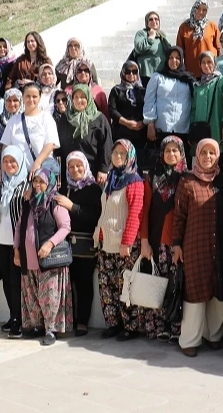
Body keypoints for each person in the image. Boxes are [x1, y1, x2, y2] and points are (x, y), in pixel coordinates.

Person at [173, 139, 223, 357]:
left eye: (212, 153)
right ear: (197, 155)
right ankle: (189, 340)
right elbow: (179, 216)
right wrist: (177, 245)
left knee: (216, 290)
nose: (207, 157)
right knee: (195, 292)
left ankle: (214, 336)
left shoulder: (222, 182)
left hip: (219, 245)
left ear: (217, 156)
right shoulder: (187, 181)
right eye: (203, 153)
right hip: (194, 244)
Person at [15, 165, 74, 346]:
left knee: (50, 296)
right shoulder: (27, 203)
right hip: (29, 259)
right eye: (36, 181)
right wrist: (16, 250)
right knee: (31, 295)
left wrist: (50, 243)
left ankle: (51, 329)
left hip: (49, 260)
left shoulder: (56, 203)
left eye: (42, 181)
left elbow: (65, 227)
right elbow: (19, 228)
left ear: (50, 183)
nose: (38, 185)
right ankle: (37, 326)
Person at [95, 140, 144, 341]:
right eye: (115, 153)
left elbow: (135, 214)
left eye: (122, 154)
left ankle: (130, 327)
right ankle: (113, 324)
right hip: (106, 241)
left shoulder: (134, 181)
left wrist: (127, 242)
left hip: (124, 244)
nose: (117, 157)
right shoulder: (110, 179)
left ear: (130, 156)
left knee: (125, 285)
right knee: (107, 285)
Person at [0, 146, 30, 339]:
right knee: (7, 282)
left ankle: (19, 320)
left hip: (18, 244)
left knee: (17, 281)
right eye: (5, 161)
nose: (9, 165)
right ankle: (13, 315)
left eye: (13, 161)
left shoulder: (27, 185)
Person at [139, 136, 187, 341]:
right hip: (157, 240)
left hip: (178, 242)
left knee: (176, 285)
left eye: (176, 150)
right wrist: (144, 241)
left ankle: (176, 326)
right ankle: (160, 327)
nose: (171, 154)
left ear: (182, 153)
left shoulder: (187, 177)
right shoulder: (152, 177)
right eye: (167, 150)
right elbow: (145, 209)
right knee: (157, 284)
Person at [54, 151, 103, 337]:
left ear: (85, 166)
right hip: (66, 245)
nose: (75, 170)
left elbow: (95, 216)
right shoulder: (66, 188)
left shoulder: (94, 189)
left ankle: (82, 321)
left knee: (84, 284)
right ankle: (69, 320)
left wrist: (72, 207)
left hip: (86, 245)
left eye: (78, 166)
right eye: (71, 167)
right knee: (67, 284)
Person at [57, 83, 112, 185]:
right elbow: (59, 143)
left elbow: (106, 145)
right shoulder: (66, 118)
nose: (79, 100)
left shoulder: (99, 119)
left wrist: (103, 169)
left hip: (93, 172)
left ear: (89, 98)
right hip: (71, 172)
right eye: (76, 97)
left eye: (82, 97)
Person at [143, 47, 195, 154]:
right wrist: (150, 123)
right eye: (171, 58)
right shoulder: (157, 77)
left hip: (183, 128)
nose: (174, 61)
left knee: (181, 163)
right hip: (162, 127)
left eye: (177, 58)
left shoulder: (188, 79)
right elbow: (149, 100)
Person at [1, 83, 61, 173]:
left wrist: (37, 163)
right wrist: (2, 169)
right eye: (28, 96)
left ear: (40, 98)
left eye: (34, 96)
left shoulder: (46, 118)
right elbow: (6, 146)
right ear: (23, 98)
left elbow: (50, 144)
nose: (31, 99)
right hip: (18, 175)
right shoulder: (13, 121)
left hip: (40, 174)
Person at [191, 51, 223, 153]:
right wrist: (192, 130)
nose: (206, 65)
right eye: (203, 62)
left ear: (215, 63)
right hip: (201, 131)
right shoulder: (197, 85)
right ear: (200, 65)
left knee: (220, 159)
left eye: (209, 62)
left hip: (218, 129)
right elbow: (193, 109)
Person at [108, 61, 147, 167]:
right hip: (121, 133)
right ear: (123, 73)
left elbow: (148, 108)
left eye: (134, 72)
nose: (131, 74)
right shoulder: (116, 90)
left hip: (139, 134)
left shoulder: (143, 91)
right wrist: (127, 123)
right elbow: (112, 110)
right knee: (121, 164)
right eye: (128, 71)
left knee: (138, 166)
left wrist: (142, 123)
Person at [176, 0, 219, 77]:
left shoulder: (212, 26)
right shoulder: (184, 27)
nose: (201, 12)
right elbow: (179, 50)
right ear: (194, 9)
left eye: (204, 10)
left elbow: (219, 48)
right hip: (191, 71)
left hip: (209, 70)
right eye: (198, 9)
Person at [133, 11, 171, 85]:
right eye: (151, 19)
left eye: (156, 19)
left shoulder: (162, 36)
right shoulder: (142, 33)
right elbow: (139, 48)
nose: (154, 21)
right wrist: (151, 37)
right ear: (146, 22)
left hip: (162, 75)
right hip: (146, 76)